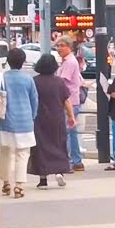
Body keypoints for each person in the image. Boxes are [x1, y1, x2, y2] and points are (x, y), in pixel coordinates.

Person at [0, 48, 39, 198]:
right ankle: (19, 185)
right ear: (23, 62)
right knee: (23, 153)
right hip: (25, 121)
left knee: (5, 151)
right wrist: (32, 116)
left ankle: (6, 181)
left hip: (5, 120)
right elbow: (34, 100)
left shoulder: (1, 78)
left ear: (8, 61)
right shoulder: (28, 79)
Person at [29, 54, 73, 189]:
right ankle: (59, 172)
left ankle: (43, 180)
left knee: (40, 147)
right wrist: (71, 116)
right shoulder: (59, 82)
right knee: (58, 143)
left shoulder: (34, 81)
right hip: (57, 118)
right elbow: (66, 101)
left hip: (39, 118)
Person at [55, 37, 86, 172]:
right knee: (72, 133)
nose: (59, 48)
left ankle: (67, 162)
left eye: (62, 45)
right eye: (57, 46)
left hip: (68, 102)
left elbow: (62, 81)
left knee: (66, 133)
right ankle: (76, 161)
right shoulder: (69, 61)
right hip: (72, 101)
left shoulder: (69, 62)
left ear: (69, 47)